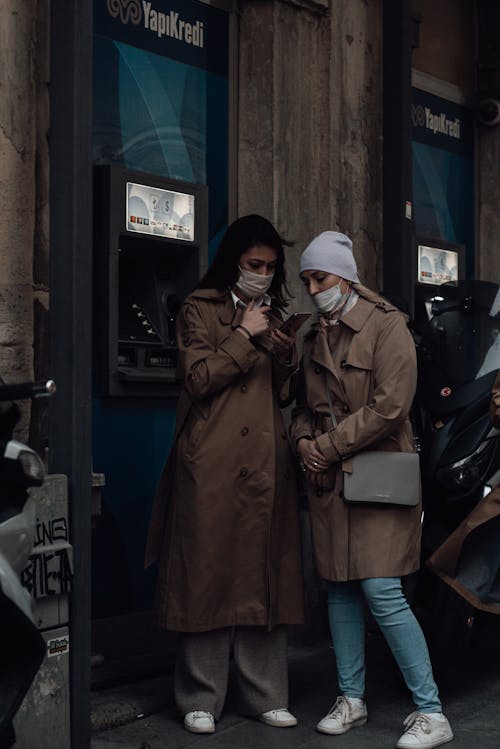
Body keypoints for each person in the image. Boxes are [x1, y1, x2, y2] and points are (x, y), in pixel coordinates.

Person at [290, 231, 454, 749]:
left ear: (346, 276)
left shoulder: (387, 327)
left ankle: (431, 711)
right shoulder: (313, 335)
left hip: (378, 477)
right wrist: (301, 444)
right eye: (307, 280)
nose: (313, 288)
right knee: (338, 587)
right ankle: (352, 699)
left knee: (382, 592)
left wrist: (326, 446)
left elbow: (391, 407)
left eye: (320, 278)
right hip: (331, 481)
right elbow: (299, 408)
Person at [144, 214, 304, 735]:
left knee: (265, 570)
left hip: (263, 459)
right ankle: (200, 696)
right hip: (210, 458)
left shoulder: (277, 312)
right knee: (205, 571)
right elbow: (196, 377)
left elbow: (282, 394)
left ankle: (266, 694)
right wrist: (241, 335)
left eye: (271, 266)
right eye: (254, 264)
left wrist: (284, 357)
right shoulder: (199, 306)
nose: (262, 273)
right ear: (233, 259)